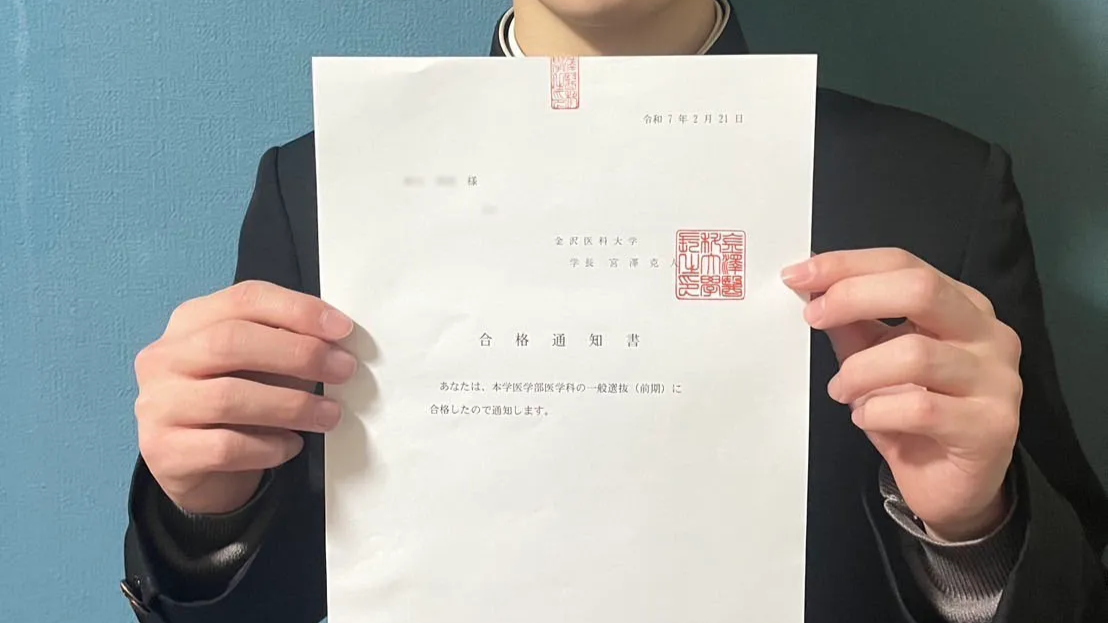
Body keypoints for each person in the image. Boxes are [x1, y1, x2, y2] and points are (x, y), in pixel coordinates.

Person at [120, 1, 1108, 621]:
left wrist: (976, 536)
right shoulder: (320, 189)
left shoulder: (939, 190)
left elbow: (1078, 589)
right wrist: (207, 516)